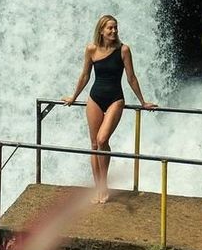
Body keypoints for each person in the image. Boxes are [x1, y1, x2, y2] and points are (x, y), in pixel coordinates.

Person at [63, 15, 157, 203]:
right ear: (101, 30)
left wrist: (143, 101)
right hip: (94, 98)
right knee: (94, 146)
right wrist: (73, 97)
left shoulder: (123, 50)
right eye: (110, 28)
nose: (114, 31)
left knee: (102, 139)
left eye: (115, 28)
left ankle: (104, 186)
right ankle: (97, 188)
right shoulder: (91, 49)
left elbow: (131, 77)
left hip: (115, 99)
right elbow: (85, 76)